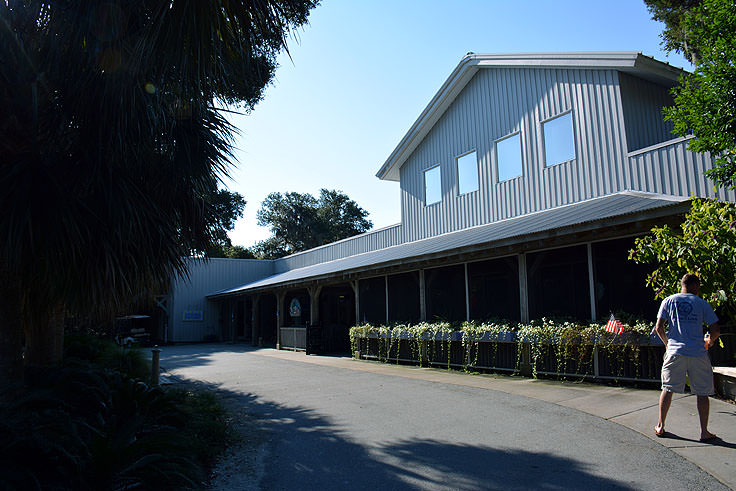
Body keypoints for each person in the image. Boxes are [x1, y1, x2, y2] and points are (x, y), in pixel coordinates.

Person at [654, 273, 720, 442]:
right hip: (698, 352)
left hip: (675, 352)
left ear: (682, 285)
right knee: (702, 393)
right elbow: (716, 330)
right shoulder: (702, 303)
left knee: (667, 389)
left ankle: (661, 426)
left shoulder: (668, 301)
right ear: (696, 286)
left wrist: (668, 344)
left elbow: (659, 327)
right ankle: (704, 432)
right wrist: (709, 342)